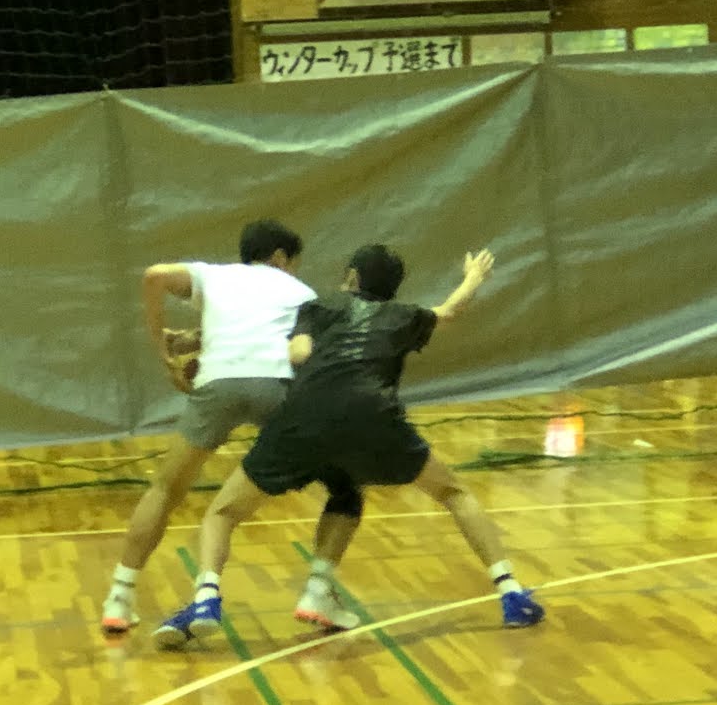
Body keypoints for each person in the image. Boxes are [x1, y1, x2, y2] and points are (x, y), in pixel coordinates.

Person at [153, 245, 543, 648]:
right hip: (372, 417)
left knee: (223, 512)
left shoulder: (318, 307)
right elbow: (449, 311)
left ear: (353, 277)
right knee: (447, 492)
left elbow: (298, 352)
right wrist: (474, 277)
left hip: (303, 417)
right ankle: (510, 593)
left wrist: (204, 348)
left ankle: (206, 599)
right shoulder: (404, 316)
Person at [102, 218, 369, 635]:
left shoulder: (213, 276)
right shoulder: (301, 292)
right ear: (280, 257)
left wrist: (167, 353)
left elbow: (154, 276)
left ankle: (120, 597)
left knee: (166, 489)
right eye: (294, 262)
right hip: (279, 387)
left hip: (218, 384)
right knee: (345, 486)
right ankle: (319, 591)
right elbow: (296, 344)